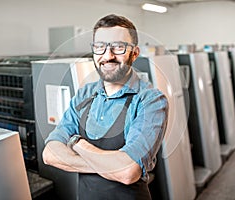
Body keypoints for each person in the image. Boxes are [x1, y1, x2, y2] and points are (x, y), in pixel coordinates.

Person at [42, 14, 168, 200]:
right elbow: (50, 154)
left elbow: (128, 172)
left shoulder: (150, 101)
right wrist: (111, 165)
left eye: (118, 47)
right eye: (100, 47)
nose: (107, 56)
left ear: (134, 53)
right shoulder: (85, 95)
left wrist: (78, 143)